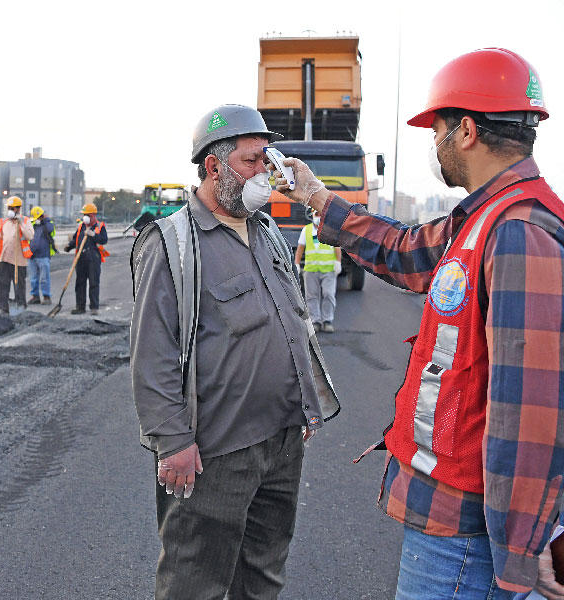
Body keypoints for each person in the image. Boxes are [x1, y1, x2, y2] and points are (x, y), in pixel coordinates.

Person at [273, 49, 564, 599]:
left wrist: (522, 548)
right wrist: (316, 197)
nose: (435, 145)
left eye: (436, 131)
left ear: (467, 131)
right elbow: (405, 250)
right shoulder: (483, 217)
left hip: (468, 532)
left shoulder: (520, 231)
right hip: (450, 512)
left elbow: (530, 407)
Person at [130, 104, 340, 599]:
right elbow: (152, 353)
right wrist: (173, 442)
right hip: (217, 451)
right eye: (251, 161)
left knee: (264, 575)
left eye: (267, 159)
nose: (265, 172)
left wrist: (305, 401)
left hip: (283, 440)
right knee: (194, 582)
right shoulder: (171, 242)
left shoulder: (267, 232)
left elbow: (293, 321)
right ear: (213, 166)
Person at [294, 209, 342, 332]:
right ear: (312, 215)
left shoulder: (331, 230)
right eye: (317, 214)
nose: (319, 217)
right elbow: (300, 248)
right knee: (311, 297)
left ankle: (327, 321)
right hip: (311, 270)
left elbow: (337, 247)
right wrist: (297, 264)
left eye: (321, 214)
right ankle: (315, 321)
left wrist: (338, 262)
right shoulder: (306, 230)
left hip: (328, 269)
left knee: (329, 295)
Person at [0, 196, 33, 314]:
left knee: (19, 285)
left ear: (18, 209)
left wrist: (20, 223)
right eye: (9, 208)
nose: (9, 210)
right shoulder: (4, 222)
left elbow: (30, 236)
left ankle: (20, 307)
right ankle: (3, 307)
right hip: (4, 259)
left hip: (19, 261)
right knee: (2, 285)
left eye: (11, 208)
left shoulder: (25, 221)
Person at [64, 203, 107, 315]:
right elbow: (76, 239)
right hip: (81, 258)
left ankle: (94, 307)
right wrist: (69, 246)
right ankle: (80, 307)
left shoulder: (100, 226)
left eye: (87, 215)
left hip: (93, 258)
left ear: (93, 215)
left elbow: (104, 240)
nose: (85, 217)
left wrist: (93, 235)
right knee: (80, 283)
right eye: (84, 215)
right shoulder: (81, 226)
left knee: (93, 283)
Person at [28, 205, 55, 305]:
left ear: (42, 216)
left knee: (44, 278)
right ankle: (35, 297)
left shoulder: (48, 224)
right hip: (32, 255)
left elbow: (50, 230)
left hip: (43, 255)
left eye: (38, 218)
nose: (37, 220)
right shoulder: (32, 224)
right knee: (33, 278)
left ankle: (46, 297)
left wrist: (45, 220)